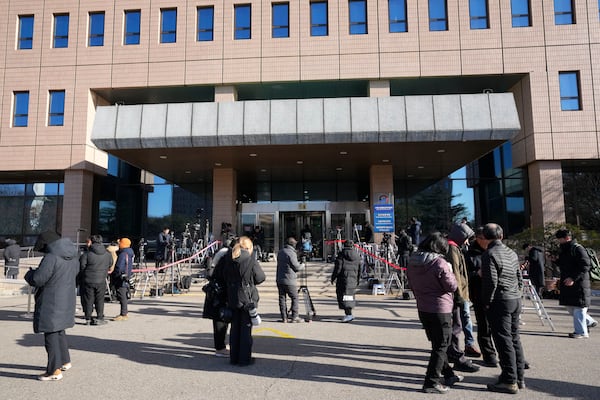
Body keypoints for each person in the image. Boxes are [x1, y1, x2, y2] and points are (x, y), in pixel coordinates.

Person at [407, 232, 464, 394]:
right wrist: (451, 271)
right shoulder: (440, 263)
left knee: (437, 343)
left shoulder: (412, 261)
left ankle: (448, 374)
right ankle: (431, 381)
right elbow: (451, 286)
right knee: (441, 346)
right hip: (441, 309)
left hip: (423, 308)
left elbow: (410, 283)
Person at [24, 231, 79, 381]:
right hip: (66, 297)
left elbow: (38, 279)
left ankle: (54, 370)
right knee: (59, 331)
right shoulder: (73, 255)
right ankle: (65, 361)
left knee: (51, 333)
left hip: (51, 300)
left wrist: (29, 275)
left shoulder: (51, 257)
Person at [480, 223, 526, 394]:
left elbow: (490, 282)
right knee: (514, 338)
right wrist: (518, 292)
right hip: (514, 298)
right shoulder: (511, 252)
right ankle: (518, 377)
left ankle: (509, 380)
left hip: (500, 300)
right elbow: (519, 276)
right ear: (501, 235)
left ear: (485, 237)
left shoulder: (489, 254)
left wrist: (487, 301)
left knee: (503, 340)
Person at [223, 236, 266, 366]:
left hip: (232, 297)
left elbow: (224, 275)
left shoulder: (229, 258)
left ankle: (234, 357)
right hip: (247, 298)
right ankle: (244, 359)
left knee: (235, 329)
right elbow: (260, 277)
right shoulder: (250, 259)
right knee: (246, 330)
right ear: (249, 248)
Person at [445, 222, 480, 372]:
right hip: (457, 294)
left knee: (457, 324)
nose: (467, 242)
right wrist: (459, 295)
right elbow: (456, 275)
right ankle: (455, 354)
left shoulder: (455, 247)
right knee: (456, 325)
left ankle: (454, 352)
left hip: (459, 293)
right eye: (466, 238)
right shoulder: (452, 248)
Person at [464, 227, 498, 367]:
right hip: (479, 293)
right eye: (486, 238)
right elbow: (464, 277)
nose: (490, 241)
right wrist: (477, 274)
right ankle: (489, 355)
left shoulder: (496, 250)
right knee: (484, 326)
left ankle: (509, 355)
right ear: (478, 239)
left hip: (498, 294)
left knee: (502, 328)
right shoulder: (469, 254)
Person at [554, 229, 594, 339]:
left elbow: (585, 265)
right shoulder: (566, 249)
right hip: (569, 282)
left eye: (560, 239)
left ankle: (581, 332)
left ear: (567, 238)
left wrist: (573, 278)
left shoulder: (578, 248)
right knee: (570, 306)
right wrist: (555, 260)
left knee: (579, 308)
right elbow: (565, 264)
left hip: (579, 283)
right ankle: (589, 321)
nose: (559, 242)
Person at [203, 235, 237, 357]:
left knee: (221, 319)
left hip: (217, 291)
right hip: (220, 292)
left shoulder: (222, 254)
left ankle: (220, 345)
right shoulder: (225, 255)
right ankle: (220, 347)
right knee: (220, 320)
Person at [79, 235, 113, 325]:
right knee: (100, 299)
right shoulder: (107, 254)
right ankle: (100, 317)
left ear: (92, 242)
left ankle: (88, 318)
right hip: (101, 279)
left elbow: (82, 266)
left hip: (88, 280)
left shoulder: (87, 254)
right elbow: (110, 264)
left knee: (88, 299)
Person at [331, 240, 361, 323]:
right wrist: (358, 279)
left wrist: (333, 277)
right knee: (349, 296)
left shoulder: (341, 255)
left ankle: (349, 314)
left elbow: (338, 268)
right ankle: (349, 313)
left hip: (343, 279)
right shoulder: (357, 255)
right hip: (353, 279)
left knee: (343, 296)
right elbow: (360, 269)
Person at [276, 237, 304, 323]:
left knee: (282, 298)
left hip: (280, 278)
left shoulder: (280, 252)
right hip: (289, 279)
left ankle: (284, 317)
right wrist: (302, 264)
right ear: (293, 244)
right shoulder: (291, 253)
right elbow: (296, 267)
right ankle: (295, 316)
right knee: (294, 297)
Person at [111, 238, 134, 321]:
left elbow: (119, 267)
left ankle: (123, 314)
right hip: (126, 276)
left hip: (121, 277)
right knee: (123, 295)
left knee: (122, 295)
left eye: (119, 243)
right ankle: (124, 313)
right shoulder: (129, 252)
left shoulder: (123, 254)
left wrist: (115, 274)